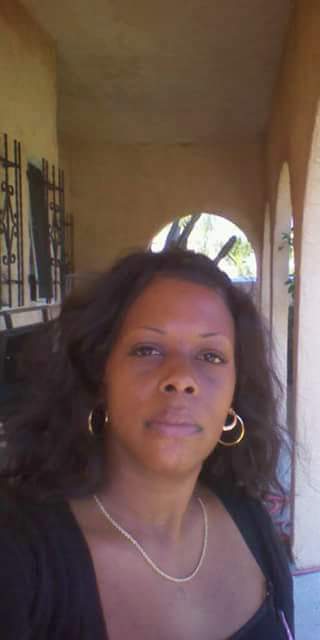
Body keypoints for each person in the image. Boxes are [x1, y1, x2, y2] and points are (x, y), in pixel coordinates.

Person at [0, 248, 294, 639]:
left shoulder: (251, 522)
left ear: (234, 395)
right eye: (147, 350)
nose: (181, 378)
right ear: (100, 376)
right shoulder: (18, 556)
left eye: (210, 355)